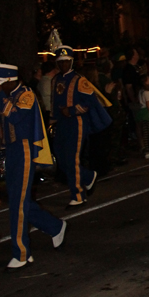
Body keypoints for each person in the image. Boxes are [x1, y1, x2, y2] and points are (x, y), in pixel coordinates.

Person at [0, 48, 66, 268]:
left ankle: (22, 253)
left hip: (24, 151)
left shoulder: (25, 95)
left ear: (8, 81)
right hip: (12, 151)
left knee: (18, 204)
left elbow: (15, 116)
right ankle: (54, 227)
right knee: (18, 200)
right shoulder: (10, 95)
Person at [50, 38, 112, 206]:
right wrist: (53, 121)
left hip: (76, 124)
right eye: (60, 62)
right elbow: (54, 103)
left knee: (72, 159)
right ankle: (88, 176)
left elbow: (90, 103)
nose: (63, 65)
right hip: (61, 124)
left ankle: (78, 194)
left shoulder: (79, 80)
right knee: (61, 160)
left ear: (71, 62)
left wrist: (70, 110)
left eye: (66, 62)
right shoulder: (55, 80)